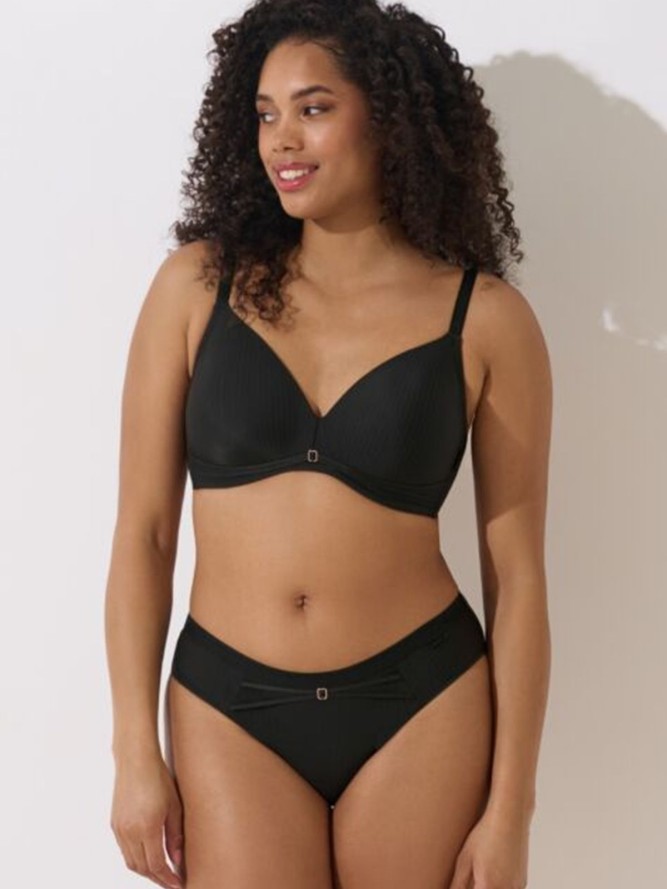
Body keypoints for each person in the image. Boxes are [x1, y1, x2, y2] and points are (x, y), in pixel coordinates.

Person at [105, 1, 552, 887]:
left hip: (420, 700)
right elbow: (144, 534)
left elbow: (518, 577)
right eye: (266, 113)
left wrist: (511, 812)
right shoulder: (196, 287)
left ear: (388, 119)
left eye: (312, 108)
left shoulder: (486, 319)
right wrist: (131, 750)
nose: (282, 138)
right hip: (228, 703)